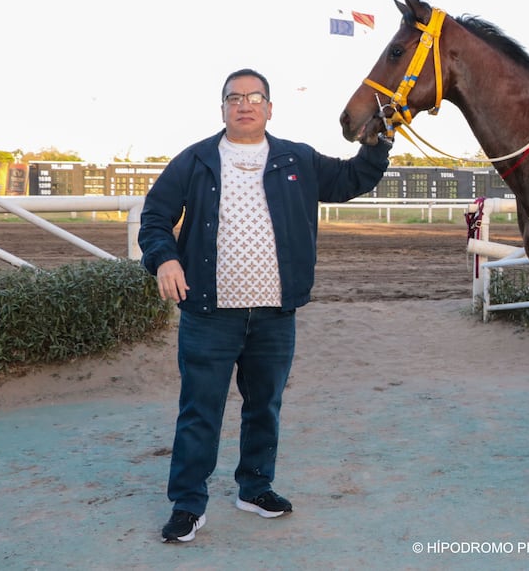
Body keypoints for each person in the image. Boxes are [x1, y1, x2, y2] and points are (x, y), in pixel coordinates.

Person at [139, 68, 391, 543]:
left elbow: (353, 177)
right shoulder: (195, 160)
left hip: (275, 315)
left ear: (270, 108)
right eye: (235, 98)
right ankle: (188, 505)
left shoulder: (298, 158)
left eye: (255, 97)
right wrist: (165, 260)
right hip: (209, 315)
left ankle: (254, 488)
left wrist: (377, 145)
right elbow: (154, 218)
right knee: (200, 411)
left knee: (264, 407)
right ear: (223, 109)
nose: (245, 104)